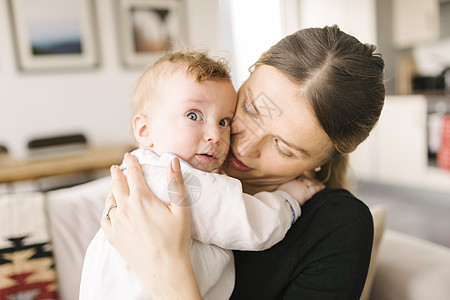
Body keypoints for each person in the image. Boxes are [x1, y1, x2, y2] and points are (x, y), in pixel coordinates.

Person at [102, 25, 385, 299]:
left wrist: (170, 275)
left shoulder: (337, 226)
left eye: (283, 148)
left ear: (320, 162)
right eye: (249, 109)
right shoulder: (161, 170)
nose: (243, 146)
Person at [80, 51, 323, 299]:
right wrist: (289, 199)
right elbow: (254, 225)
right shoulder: (178, 181)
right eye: (193, 116)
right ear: (144, 130)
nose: (215, 135)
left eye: (224, 121)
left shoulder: (143, 173)